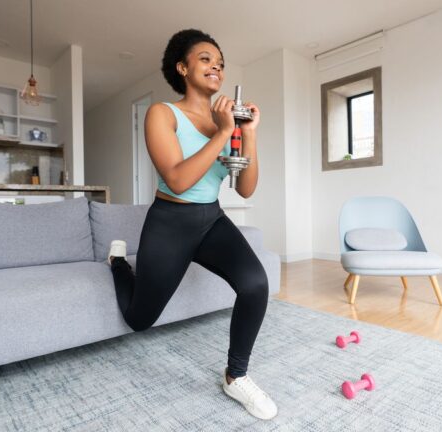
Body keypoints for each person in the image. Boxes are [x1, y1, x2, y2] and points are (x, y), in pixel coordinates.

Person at [107, 29, 277, 420]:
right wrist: (222, 131)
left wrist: (246, 134)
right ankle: (118, 264)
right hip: (170, 222)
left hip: (211, 219)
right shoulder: (162, 114)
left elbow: (246, 189)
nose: (215, 65)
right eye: (205, 58)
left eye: (220, 61)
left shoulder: (229, 122)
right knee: (139, 320)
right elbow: (179, 180)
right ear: (182, 68)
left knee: (255, 283)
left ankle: (236, 376)